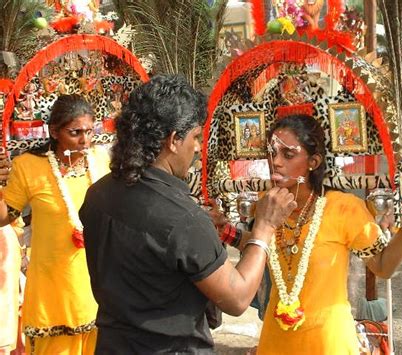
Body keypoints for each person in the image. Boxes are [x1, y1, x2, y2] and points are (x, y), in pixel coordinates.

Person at [78, 74, 296, 354]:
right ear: (172, 140)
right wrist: (264, 228)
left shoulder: (99, 194)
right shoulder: (182, 219)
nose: (197, 148)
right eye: (195, 137)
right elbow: (238, 298)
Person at [212, 114, 402, 354]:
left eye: (288, 155)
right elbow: (260, 247)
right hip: (275, 341)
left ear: (313, 161)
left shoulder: (343, 208)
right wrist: (226, 231)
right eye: (272, 153)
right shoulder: (268, 203)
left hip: (328, 342)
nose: (276, 162)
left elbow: (383, 266)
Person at [0, 94, 110, 354]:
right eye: (75, 133)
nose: (84, 140)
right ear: (54, 132)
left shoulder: (102, 162)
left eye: (89, 131)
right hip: (52, 295)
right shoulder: (29, 166)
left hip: (99, 293)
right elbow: (6, 216)